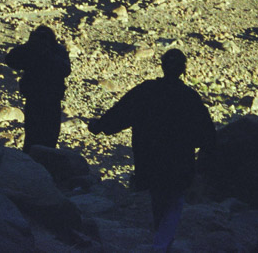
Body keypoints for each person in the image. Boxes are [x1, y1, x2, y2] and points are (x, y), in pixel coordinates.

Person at [87, 48, 215, 252]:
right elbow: (206, 134)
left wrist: (100, 126)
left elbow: (121, 113)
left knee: (158, 197)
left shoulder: (146, 91)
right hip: (180, 160)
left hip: (150, 157)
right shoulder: (189, 97)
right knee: (174, 199)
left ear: (162, 66)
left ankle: (160, 241)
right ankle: (162, 243)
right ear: (184, 69)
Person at [4, 25, 71, 149]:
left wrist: (47, 54)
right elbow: (10, 60)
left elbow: (66, 70)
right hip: (35, 99)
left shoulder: (57, 51)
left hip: (51, 100)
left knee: (50, 137)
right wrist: (29, 47)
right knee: (32, 137)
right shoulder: (31, 51)